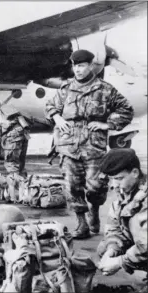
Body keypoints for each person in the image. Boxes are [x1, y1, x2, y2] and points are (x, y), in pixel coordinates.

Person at [45, 49, 134, 239]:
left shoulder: (105, 89)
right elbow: (50, 106)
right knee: (71, 186)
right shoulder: (65, 89)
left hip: (94, 144)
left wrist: (107, 124)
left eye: (82, 65)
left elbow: (126, 109)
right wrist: (57, 117)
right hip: (68, 144)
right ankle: (81, 223)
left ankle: (93, 209)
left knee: (95, 186)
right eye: (75, 66)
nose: (77, 69)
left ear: (90, 66)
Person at [96, 148, 146, 284]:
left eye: (118, 179)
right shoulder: (127, 190)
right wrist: (113, 248)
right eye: (110, 179)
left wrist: (120, 262)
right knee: (104, 247)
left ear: (135, 173)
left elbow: (146, 244)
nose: (113, 185)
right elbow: (114, 226)